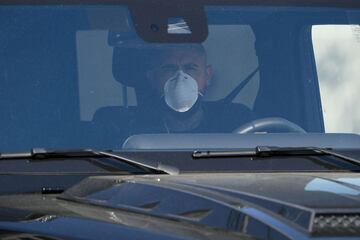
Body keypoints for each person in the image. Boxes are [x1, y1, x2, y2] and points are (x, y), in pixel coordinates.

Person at [131, 44, 254, 134]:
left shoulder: (236, 119)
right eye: (169, 68)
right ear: (152, 78)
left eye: (190, 68)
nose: (180, 78)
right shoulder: (134, 128)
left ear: (207, 75)